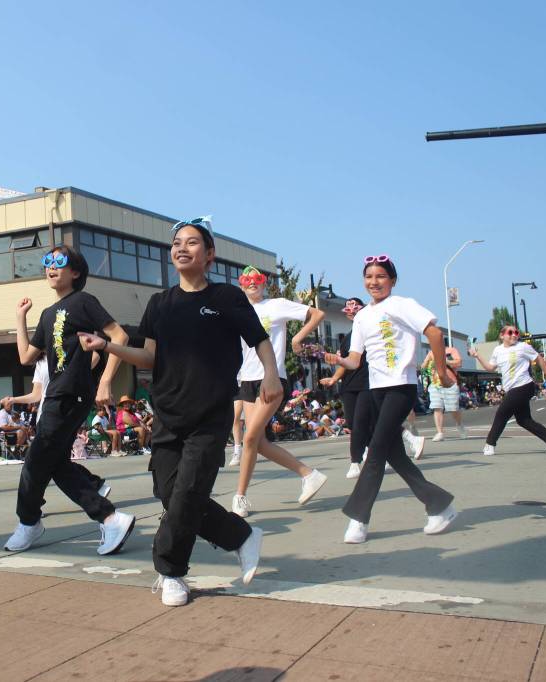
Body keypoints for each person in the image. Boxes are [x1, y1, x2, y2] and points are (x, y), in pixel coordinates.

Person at [79, 216, 277, 606]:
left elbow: (259, 339)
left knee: (187, 492)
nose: (181, 248)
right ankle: (240, 536)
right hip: (167, 414)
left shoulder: (226, 298)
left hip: (210, 413)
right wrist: (106, 347)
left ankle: (170, 572)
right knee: (171, 494)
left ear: (210, 254)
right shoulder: (160, 303)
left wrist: (272, 375)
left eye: (191, 243)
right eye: (176, 244)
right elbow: (148, 355)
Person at [4, 245, 135, 555]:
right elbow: (26, 356)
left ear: (75, 271)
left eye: (59, 262)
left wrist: (105, 379)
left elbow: (120, 337)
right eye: (47, 262)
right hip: (56, 393)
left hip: (71, 391)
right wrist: (21, 317)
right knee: (53, 462)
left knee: (37, 460)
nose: (51, 266)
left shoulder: (84, 302)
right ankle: (108, 516)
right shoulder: (49, 314)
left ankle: (29, 521)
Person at [324, 256, 457, 544]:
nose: (374, 282)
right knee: (394, 454)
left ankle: (358, 518)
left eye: (381, 276)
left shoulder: (402, 305)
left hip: (401, 387)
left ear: (392, 280)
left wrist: (443, 373)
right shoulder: (361, 316)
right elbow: (356, 360)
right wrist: (336, 359)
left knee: (376, 453)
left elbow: (434, 333)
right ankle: (440, 505)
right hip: (376, 389)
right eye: (369, 276)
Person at [231, 266, 327, 517]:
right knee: (257, 441)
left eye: (257, 280)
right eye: (246, 280)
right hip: (246, 380)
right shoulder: (239, 311)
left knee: (250, 438)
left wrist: (297, 339)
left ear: (264, 284)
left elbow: (316, 314)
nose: (252, 283)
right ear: (241, 285)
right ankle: (308, 474)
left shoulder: (277, 305)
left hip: (271, 378)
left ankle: (240, 496)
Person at [2, 355, 111, 494]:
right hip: (44, 415)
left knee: (36, 463)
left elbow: (95, 356)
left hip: (61, 414)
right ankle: (94, 485)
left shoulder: (66, 352)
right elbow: (37, 394)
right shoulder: (41, 362)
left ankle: (32, 506)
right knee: (55, 462)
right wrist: (13, 400)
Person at [469, 325, 546, 456]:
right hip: (512, 388)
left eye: (516, 332)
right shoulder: (498, 350)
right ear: (502, 335)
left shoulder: (523, 347)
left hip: (524, 385)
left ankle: (490, 444)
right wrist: (477, 356)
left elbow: (540, 359)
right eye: (510, 332)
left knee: (502, 413)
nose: (514, 334)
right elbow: (490, 368)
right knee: (524, 420)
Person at [320, 297, 374, 479]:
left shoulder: (371, 331)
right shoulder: (348, 337)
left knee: (362, 423)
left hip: (368, 383)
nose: (351, 312)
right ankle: (371, 452)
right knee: (352, 424)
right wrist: (334, 379)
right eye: (348, 310)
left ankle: (354, 461)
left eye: (355, 309)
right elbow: (344, 362)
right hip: (349, 386)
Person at [421, 347, 467, 441]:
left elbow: (459, 363)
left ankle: (459, 424)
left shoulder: (451, 350)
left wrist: (445, 361)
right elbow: (423, 368)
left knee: (453, 409)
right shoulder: (431, 352)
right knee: (437, 407)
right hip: (435, 384)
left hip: (450, 383)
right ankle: (440, 432)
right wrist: (426, 364)